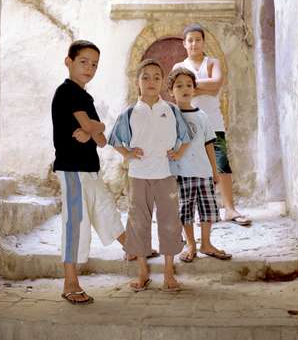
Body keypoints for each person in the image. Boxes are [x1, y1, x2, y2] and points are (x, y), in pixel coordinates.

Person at [51, 40, 126, 304]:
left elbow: (102, 140)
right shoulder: (67, 91)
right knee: (76, 223)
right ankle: (70, 283)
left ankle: (136, 254)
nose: (90, 68)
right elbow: (92, 126)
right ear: (68, 62)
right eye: (83, 62)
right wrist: (96, 126)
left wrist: (94, 129)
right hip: (71, 169)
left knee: (106, 209)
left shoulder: (85, 97)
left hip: (89, 169)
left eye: (94, 64)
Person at [108, 58, 192, 292]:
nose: (151, 81)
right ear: (138, 83)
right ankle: (143, 271)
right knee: (138, 222)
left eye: (157, 77)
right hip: (138, 175)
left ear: (163, 82)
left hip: (165, 174)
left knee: (169, 221)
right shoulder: (130, 113)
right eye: (146, 77)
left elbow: (185, 137)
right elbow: (114, 140)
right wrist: (128, 152)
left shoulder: (171, 110)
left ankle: (168, 272)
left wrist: (177, 153)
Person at [173, 23, 251, 226]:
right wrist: (205, 86)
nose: (194, 43)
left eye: (198, 39)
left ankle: (230, 209)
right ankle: (201, 211)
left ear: (203, 42)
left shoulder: (212, 62)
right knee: (195, 167)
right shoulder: (178, 68)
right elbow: (180, 94)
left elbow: (217, 83)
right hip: (190, 123)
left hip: (214, 122)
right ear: (184, 43)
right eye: (190, 40)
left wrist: (192, 87)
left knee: (221, 164)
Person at [168, 67, 232, 262]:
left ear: (194, 89)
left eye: (189, 85)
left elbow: (209, 145)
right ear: (171, 91)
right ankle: (190, 244)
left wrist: (214, 171)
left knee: (207, 209)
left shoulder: (202, 116)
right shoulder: (169, 115)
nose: (185, 89)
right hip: (182, 173)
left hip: (204, 172)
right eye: (179, 86)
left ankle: (206, 243)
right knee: (185, 210)